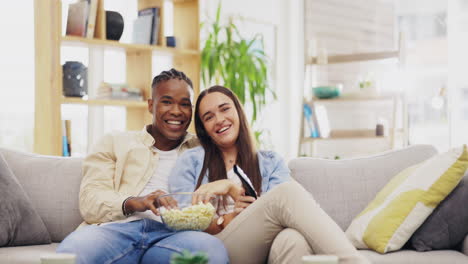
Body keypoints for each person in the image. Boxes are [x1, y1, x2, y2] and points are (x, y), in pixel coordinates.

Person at [169, 85, 370, 264]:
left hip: (268, 245)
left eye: (224, 109)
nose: (219, 119)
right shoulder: (191, 161)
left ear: (238, 112)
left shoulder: (270, 162)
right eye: (209, 117)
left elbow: (279, 214)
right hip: (219, 247)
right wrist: (226, 217)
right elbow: (183, 224)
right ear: (204, 129)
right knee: (286, 192)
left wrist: (247, 206)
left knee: (293, 240)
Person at [56, 69, 228, 264]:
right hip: (117, 230)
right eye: (167, 101)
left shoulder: (204, 149)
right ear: (151, 105)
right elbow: (91, 201)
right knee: (69, 255)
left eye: (185, 104)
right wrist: (135, 202)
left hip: (176, 236)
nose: (176, 111)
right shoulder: (114, 142)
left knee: (210, 254)